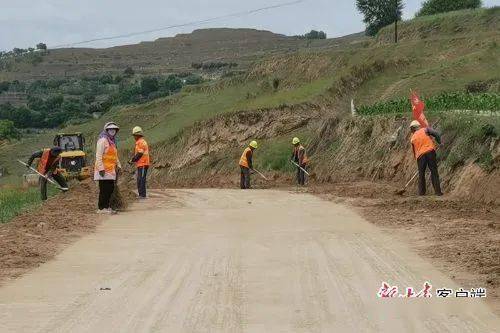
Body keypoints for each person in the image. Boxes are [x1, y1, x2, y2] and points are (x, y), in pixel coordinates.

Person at [410, 120, 443, 196]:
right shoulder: (425, 129)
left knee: (421, 174)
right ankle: (438, 192)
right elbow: (436, 134)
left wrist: (417, 160)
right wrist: (439, 143)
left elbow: (414, 151)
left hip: (420, 156)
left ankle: (421, 193)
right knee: (434, 171)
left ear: (412, 129)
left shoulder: (412, 138)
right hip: (430, 152)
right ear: (418, 126)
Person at [94, 122, 121, 214]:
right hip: (103, 171)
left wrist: (119, 165)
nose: (112, 131)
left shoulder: (112, 142)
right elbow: (98, 155)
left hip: (110, 170)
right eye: (110, 130)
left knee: (110, 189)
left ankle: (107, 206)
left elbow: (114, 156)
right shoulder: (102, 141)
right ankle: (101, 208)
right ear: (106, 130)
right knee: (104, 189)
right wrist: (101, 168)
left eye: (114, 130)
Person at [128, 126, 150, 199]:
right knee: (139, 179)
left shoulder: (141, 142)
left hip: (143, 164)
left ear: (137, 135)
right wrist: (133, 160)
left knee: (141, 179)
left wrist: (132, 160)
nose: (134, 137)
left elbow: (139, 154)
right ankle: (141, 194)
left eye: (134, 135)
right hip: (141, 164)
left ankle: (142, 195)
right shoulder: (139, 142)